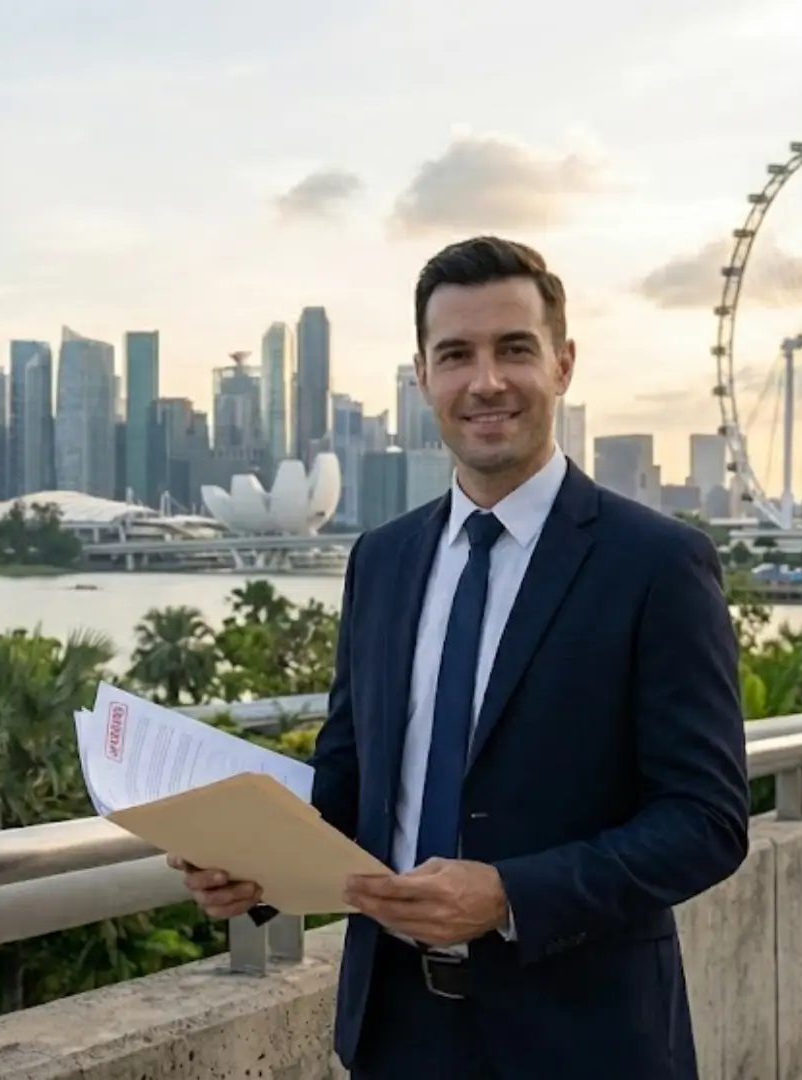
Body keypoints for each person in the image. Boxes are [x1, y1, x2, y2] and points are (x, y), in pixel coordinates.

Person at [172, 235, 750, 1078]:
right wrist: (254, 869)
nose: (485, 381)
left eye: (514, 349)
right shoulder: (381, 560)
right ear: (422, 379)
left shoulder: (656, 564)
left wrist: (511, 895)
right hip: (395, 1033)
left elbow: (705, 821)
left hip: (584, 1041)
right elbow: (348, 783)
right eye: (456, 356)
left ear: (563, 363)